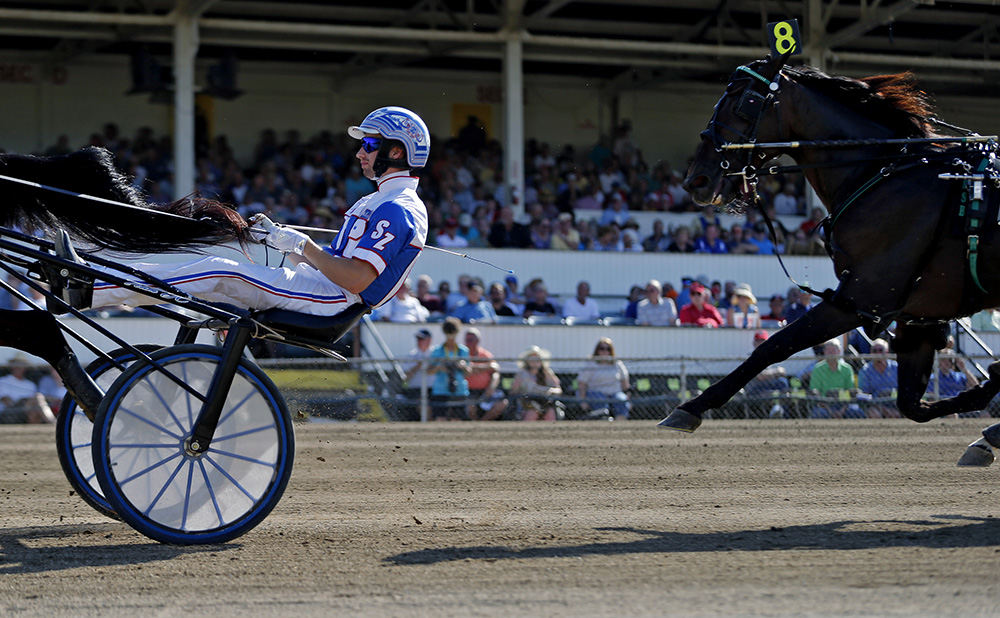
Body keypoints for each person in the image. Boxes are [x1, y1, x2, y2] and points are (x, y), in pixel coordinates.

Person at [75, 106, 432, 319]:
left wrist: (304, 245)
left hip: (332, 302)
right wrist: (283, 243)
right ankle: (99, 278)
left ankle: (94, 290)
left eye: (369, 145)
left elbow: (356, 280)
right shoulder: (382, 201)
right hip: (323, 291)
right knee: (205, 272)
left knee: (216, 270)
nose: (360, 153)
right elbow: (334, 269)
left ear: (397, 152)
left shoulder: (398, 208)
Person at [576, 337, 631, 420]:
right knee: (600, 400)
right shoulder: (591, 364)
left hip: (615, 392)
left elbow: (625, 383)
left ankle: (620, 427)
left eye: (608, 349)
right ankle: (604, 425)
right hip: (596, 392)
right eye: (602, 348)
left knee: (621, 400)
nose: (605, 351)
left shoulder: (617, 364)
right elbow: (582, 383)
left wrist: (628, 398)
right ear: (597, 350)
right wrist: (583, 401)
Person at [426, 318, 471, 421]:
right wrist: (439, 367)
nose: (450, 335)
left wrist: (463, 366)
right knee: (440, 418)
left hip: (459, 389)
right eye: (448, 332)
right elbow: (429, 371)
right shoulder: (437, 351)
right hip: (441, 389)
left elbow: (468, 373)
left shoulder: (463, 351)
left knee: (457, 419)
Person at [808, 338, 861, 419]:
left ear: (839, 352)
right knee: (819, 414)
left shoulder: (847, 369)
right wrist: (830, 411)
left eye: (834, 350)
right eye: (828, 351)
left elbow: (850, 392)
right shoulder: (818, 369)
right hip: (824, 404)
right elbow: (815, 392)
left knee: (857, 413)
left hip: (843, 404)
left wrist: (842, 411)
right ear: (824, 352)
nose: (831, 353)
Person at [463, 328, 508, 421]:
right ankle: (475, 424)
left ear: (477, 340)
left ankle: (483, 422)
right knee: (470, 407)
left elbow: (495, 369)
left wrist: (491, 388)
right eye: (467, 340)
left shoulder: (485, 354)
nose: (468, 342)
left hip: (486, 390)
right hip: (469, 391)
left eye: (471, 340)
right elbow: (465, 370)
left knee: (502, 403)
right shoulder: (463, 353)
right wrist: (486, 367)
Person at [510, 345, 563, 421]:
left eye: (537, 359)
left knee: (550, 412)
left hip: (545, 401)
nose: (534, 362)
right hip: (527, 402)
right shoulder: (521, 374)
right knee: (532, 412)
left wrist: (551, 391)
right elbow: (513, 391)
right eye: (532, 359)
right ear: (527, 361)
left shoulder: (547, 372)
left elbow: (558, 389)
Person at [744, 330, 790, 418]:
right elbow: (760, 376)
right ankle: (777, 411)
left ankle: (781, 412)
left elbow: (783, 371)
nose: (761, 344)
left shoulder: (773, 355)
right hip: (755, 389)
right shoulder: (750, 357)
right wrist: (776, 373)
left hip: (771, 385)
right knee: (775, 390)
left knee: (783, 382)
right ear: (754, 343)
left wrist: (774, 373)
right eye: (758, 341)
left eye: (763, 341)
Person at [0, 354, 55, 424]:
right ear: (12, 366)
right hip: (10, 411)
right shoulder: (3, 381)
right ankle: (52, 422)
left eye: (21, 365)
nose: (18, 367)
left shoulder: (30, 385)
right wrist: (19, 406)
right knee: (37, 399)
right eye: (16, 364)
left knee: (36, 404)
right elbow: (5, 400)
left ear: (25, 367)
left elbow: (34, 401)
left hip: (27, 411)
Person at [926, 349, 981, 415]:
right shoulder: (933, 378)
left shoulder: (959, 376)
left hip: (963, 406)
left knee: (983, 413)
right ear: (939, 361)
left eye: (949, 359)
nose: (947, 362)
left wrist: (964, 369)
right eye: (944, 359)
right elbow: (932, 399)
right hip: (946, 408)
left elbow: (976, 386)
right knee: (952, 414)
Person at [857, 338, 899, 418]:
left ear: (887, 352)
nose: (877, 353)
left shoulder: (896, 368)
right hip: (874, 404)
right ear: (871, 353)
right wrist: (883, 409)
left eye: (880, 350)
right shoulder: (865, 371)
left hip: (895, 403)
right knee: (874, 414)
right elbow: (864, 394)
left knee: (900, 413)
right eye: (874, 351)